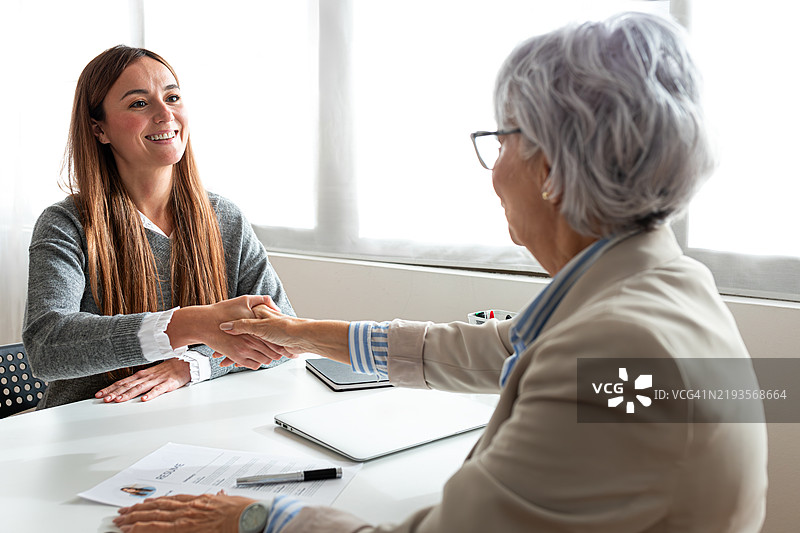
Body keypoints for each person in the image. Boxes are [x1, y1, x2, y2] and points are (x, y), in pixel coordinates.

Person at [113, 12, 768, 533]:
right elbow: (490, 349)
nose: (495, 168)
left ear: (552, 170)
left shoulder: (616, 344)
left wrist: (256, 518)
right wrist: (300, 331)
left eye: (504, 139)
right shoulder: (668, 285)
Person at [23, 45, 295, 408]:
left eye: (173, 96)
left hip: (194, 425)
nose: (165, 113)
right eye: (139, 103)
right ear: (98, 128)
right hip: (90, 434)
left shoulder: (224, 217)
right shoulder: (65, 224)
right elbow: (47, 347)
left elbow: (284, 334)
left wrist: (191, 364)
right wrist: (189, 324)